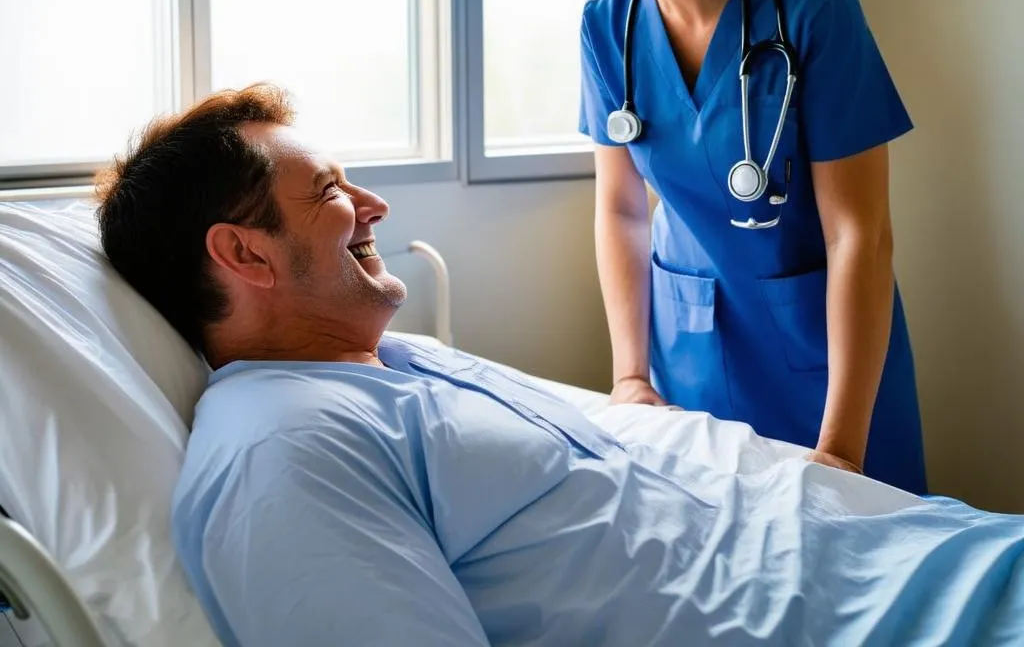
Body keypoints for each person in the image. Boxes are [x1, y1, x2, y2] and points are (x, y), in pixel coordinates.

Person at [94, 84, 1024, 647]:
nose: (373, 204)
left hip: (912, 566)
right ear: (245, 255)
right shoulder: (283, 451)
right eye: (331, 191)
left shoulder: (389, 365)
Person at [580, 0, 925, 492]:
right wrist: (629, 374)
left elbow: (858, 233)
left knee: (860, 575)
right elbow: (620, 208)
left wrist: (841, 448)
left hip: (828, 370)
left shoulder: (814, 14)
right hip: (688, 358)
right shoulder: (607, 24)